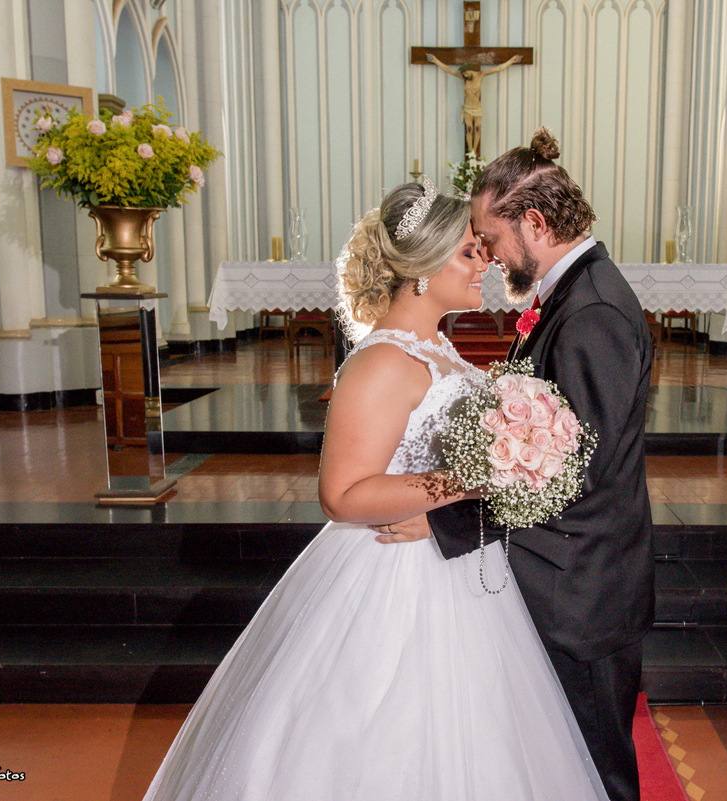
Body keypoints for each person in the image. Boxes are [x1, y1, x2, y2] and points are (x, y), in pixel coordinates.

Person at [140, 176, 609, 801]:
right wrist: (471, 480)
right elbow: (343, 494)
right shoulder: (382, 361)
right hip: (393, 573)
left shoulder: (439, 349)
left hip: (457, 563)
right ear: (422, 269)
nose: (486, 263)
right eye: (469, 252)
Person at [376, 130, 655, 801]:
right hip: (563, 574)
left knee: (597, 773)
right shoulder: (572, 296)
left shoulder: (591, 313)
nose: (488, 253)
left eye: (490, 236)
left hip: (581, 588)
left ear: (534, 222)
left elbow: (571, 471)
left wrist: (443, 523)